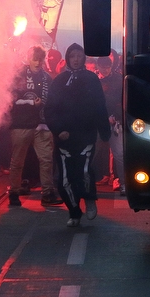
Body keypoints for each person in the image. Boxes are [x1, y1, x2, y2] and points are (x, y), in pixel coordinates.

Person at [45, 43, 110, 228]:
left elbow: (100, 106)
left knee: (84, 172)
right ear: (67, 58)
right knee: (64, 179)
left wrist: (104, 131)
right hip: (64, 138)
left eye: (79, 55)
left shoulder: (91, 79)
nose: (75, 59)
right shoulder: (59, 81)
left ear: (83, 58)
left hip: (86, 134)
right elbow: (50, 109)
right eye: (72, 55)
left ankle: (89, 198)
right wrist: (58, 130)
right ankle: (74, 210)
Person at [7, 46, 62, 208]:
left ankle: (47, 193)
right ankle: (14, 193)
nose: (38, 62)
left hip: (42, 124)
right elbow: (11, 100)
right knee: (18, 161)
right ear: (28, 58)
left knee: (46, 159)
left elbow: (52, 101)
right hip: (21, 124)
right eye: (35, 59)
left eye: (40, 59)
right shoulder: (19, 75)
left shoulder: (47, 78)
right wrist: (31, 103)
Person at [96, 56, 125, 193]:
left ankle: (122, 182)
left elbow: (121, 101)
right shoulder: (94, 79)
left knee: (118, 153)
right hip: (98, 121)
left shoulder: (118, 80)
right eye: (103, 67)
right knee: (93, 152)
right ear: (99, 66)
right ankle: (90, 180)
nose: (106, 69)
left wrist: (116, 116)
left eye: (108, 67)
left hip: (114, 122)